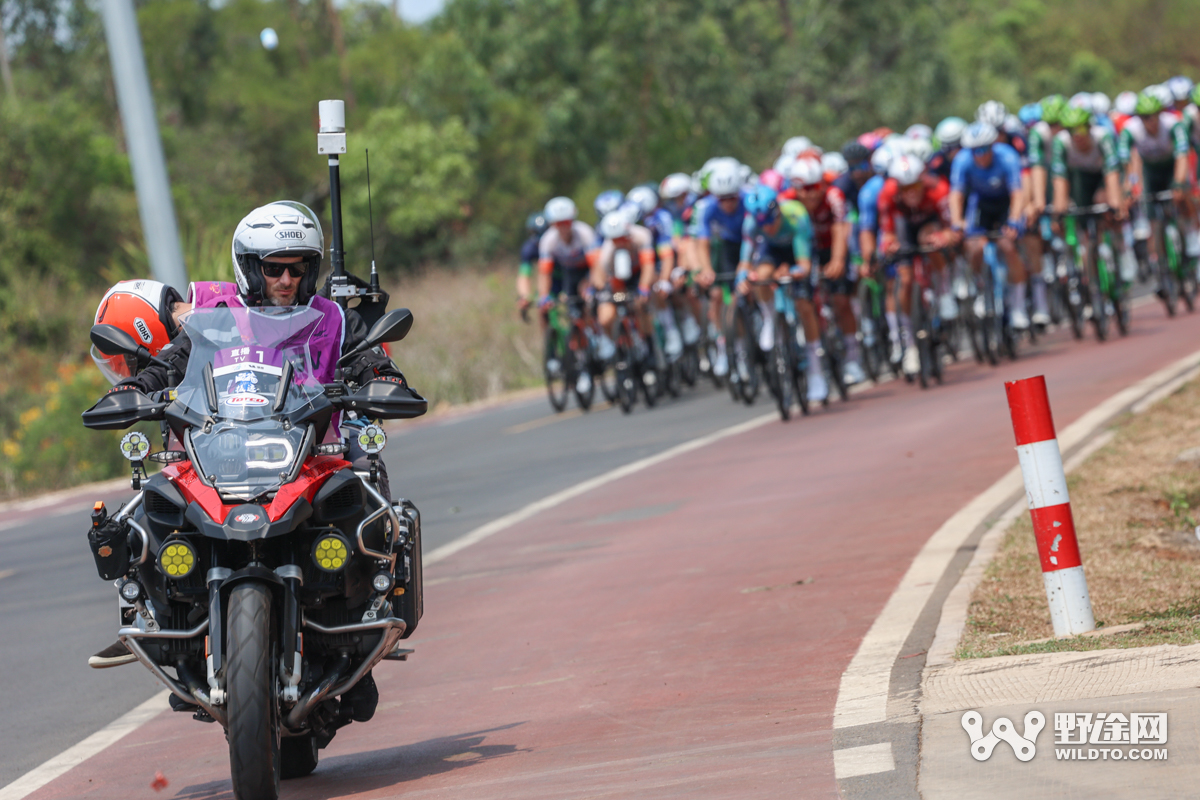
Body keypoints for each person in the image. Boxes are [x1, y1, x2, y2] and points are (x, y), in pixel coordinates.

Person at [90, 202, 418, 722]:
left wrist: (385, 375)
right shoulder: (215, 323)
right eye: (274, 267)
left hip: (312, 452)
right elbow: (172, 363)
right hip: (227, 447)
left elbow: (365, 355)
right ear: (249, 267)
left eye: (298, 267)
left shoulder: (334, 317)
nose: (287, 279)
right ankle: (172, 622)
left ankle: (366, 619)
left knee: (367, 501)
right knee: (154, 508)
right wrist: (136, 386)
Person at [786, 156, 866, 386]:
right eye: (805, 189)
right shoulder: (788, 202)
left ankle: (852, 357)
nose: (811, 194)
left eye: (815, 187)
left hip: (831, 247)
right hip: (804, 252)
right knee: (804, 303)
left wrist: (838, 260)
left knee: (841, 300)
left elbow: (841, 228)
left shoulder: (834, 196)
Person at [949, 121, 1035, 329]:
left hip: (1006, 202)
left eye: (984, 149)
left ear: (992, 145)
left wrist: (1014, 220)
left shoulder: (1007, 156)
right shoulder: (962, 161)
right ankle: (982, 288)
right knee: (975, 247)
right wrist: (957, 222)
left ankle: (1018, 307)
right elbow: (956, 195)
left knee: (1008, 246)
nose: (980, 154)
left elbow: (1017, 192)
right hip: (981, 204)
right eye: (974, 151)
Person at [877, 153, 953, 375]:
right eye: (905, 188)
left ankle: (945, 292)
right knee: (906, 279)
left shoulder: (938, 190)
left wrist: (945, 236)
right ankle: (910, 343)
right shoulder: (887, 195)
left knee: (929, 240)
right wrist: (889, 245)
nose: (911, 192)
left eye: (916, 186)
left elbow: (950, 226)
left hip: (929, 225)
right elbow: (887, 232)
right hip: (904, 229)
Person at [516, 212, 547, 319]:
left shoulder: (556, 243)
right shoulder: (529, 249)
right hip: (547, 279)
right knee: (542, 309)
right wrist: (524, 296)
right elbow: (524, 274)